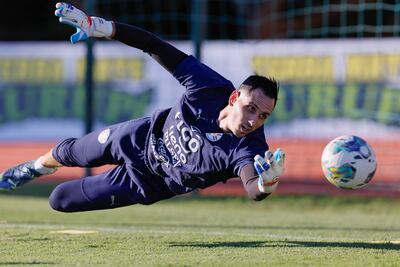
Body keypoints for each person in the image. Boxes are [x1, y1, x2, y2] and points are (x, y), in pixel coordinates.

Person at [0, 2, 285, 212]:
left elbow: (252, 188)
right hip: (137, 138)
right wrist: (102, 27)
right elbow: (155, 46)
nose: (254, 120)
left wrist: (266, 184)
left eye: (263, 116)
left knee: (59, 200)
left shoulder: (250, 148)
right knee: (69, 152)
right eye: (251, 108)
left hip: (147, 181)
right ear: (234, 98)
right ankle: (35, 167)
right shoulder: (210, 88)